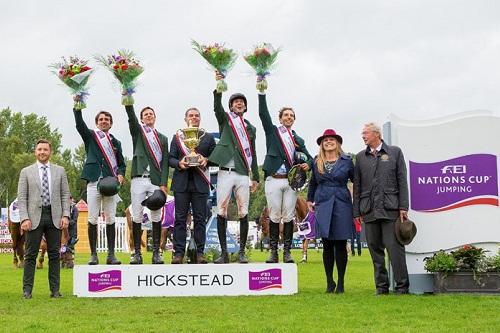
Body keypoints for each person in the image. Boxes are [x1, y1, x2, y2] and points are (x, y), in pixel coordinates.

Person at [352, 122, 410, 295]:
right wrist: (356, 212)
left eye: (365, 133)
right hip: (369, 210)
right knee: (375, 252)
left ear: (376, 134)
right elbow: (357, 186)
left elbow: (402, 180)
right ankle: (381, 287)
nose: (363, 136)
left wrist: (403, 206)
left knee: (395, 250)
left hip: (390, 209)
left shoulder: (395, 152)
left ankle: (402, 287)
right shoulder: (360, 157)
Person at [208, 72, 260, 263]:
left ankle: (242, 253)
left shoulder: (251, 128)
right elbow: (216, 108)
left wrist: (255, 177)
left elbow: (252, 154)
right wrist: (219, 85)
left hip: (242, 173)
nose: (239, 104)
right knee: (221, 210)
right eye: (235, 102)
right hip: (225, 173)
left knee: (243, 211)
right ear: (231, 106)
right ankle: (223, 253)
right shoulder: (226, 121)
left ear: (245, 107)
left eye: (242, 102)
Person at [258, 88, 312, 263]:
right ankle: (273, 252)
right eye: (286, 115)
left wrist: (307, 165)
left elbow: (311, 159)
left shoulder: (298, 139)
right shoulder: (273, 132)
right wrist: (262, 93)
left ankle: (287, 252)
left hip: (290, 182)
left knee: (288, 216)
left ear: (294, 120)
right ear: (280, 118)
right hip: (273, 179)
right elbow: (263, 113)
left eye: (291, 115)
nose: (289, 117)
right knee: (274, 215)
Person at [17, 139, 70, 299]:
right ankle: (27, 291)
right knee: (30, 255)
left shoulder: (60, 171)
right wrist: (24, 218)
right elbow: (22, 197)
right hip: (33, 218)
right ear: (35, 152)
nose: (42, 152)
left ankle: (55, 291)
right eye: (39, 149)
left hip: (55, 216)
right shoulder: (26, 172)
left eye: (45, 150)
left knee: (54, 254)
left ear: (50, 152)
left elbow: (65, 194)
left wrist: (66, 215)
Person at [74, 107, 126, 265]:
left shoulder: (116, 142)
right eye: (101, 119)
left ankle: (111, 255)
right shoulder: (91, 136)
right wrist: (77, 108)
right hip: (93, 181)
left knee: (110, 217)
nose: (104, 121)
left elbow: (122, 164)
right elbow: (79, 125)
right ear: (97, 123)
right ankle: (93, 255)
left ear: (111, 124)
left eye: (107, 120)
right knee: (92, 218)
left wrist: (121, 174)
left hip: (110, 183)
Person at [307, 129, 354, 294]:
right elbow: (313, 182)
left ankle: (341, 282)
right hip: (323, 202)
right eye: (325, 140)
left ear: (337, 142)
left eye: (331, 139)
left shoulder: (347, 161)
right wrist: (308, 200)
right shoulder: (316, 161)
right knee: (327, 245)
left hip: (342, 203)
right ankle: (329, 282)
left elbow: (356, 180)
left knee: (340, 244)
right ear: (322, 144)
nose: (328, 142)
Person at [169, 107, 216, 264]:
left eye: (197, 115)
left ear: (200, 119)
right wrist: (179, 163)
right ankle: (178, 253)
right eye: (191, 115)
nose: (194, 118)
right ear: (185, 119)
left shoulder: (207, 137)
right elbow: (170, 159)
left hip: (200, 183)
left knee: (200, 219)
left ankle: (200, 252)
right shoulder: (177, 138)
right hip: (181, 182)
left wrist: (206, 160)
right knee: (180, 219)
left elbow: (215, 158)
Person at [124, 103, 169, 264]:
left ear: (155, 117)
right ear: (142, 119)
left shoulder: (163, 138)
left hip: (156, 180)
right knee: (136, 215)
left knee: (156, 215)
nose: (149, 116)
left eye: (151, 114)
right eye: (145, 114)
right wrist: (128, 102)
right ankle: (137, 253)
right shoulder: (138, 133)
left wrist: (164, 183)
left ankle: (156, 252)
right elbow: (131, 118)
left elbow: (164, 163)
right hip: (138, 178)